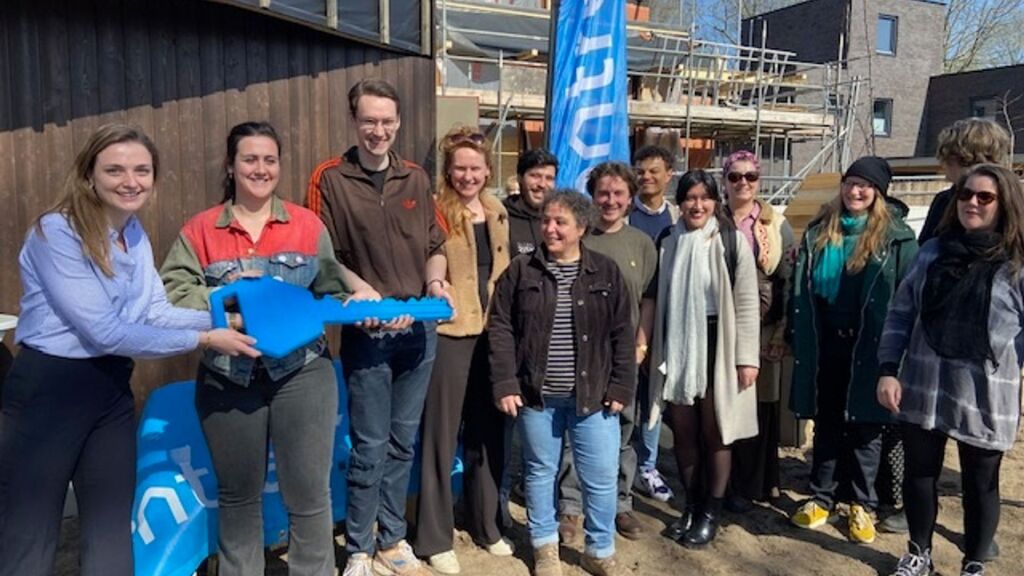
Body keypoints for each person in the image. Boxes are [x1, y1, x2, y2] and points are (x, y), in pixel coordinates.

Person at [0, 124, 258, 576]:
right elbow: (105, 330)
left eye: (142, 170)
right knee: (30, 530)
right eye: (115, 169)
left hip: (110, 390)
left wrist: (227, 321)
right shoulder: (56, 232)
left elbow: (155, 312)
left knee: (109, 526)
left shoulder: (132, 232)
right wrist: (205, 338)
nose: (130, 181)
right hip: (50, 390)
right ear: (89, 175)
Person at [161, 121, 377, 576]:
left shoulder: (305, 224)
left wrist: (363, 303)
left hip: (303, 373)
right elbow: (174, 295)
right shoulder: (200, 230)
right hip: (226, 376)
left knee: (309, 492)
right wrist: (235, 309)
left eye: (270, 160)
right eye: (250, 159)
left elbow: (332, 288)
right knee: (238, 495)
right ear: (231, 165)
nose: (261, 169)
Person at [306, 79, 451, 576]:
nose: (378, 130)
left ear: (398, 123)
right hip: (368, 332)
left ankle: (393, 539)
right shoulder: (329, 177)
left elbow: (436, 244)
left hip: (419, 330)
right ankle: (360, 548)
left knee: (401, 442)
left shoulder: (416, 177)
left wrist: (435, 283)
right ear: (354, 120)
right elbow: (319, 251)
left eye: (387, 121)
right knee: (368, 445)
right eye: (369, 120)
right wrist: (359, 290)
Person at [878, 164, 1024, 576]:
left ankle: (973, 563)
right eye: (965, 195)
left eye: (984, 197)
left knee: (981, 483)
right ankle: (918, 553)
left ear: (1005, 203)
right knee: (920, 475)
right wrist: (889, 368)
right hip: (923, 385)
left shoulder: (1017, 265)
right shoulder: (933, 252)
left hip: (984, 394)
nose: (971, 203)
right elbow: (901, 313)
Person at [490, 190, 636, 576]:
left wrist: (622, 386)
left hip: (594, 397)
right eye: (545, 221)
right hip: (538, 396)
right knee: (540, 470)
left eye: (560, 222)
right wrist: (506, 382)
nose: (550, 229)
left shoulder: (606, 271)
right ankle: (545, 548)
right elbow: (501, 327)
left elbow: (623, 332)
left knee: (601, 476)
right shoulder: (522, 271)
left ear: (581, 228)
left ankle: (599, 549)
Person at [788, 156, 918, 545]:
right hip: (825, 340)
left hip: (872, 345)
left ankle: (863, 503)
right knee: (826, 420)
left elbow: (909, 298)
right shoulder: (820, 230)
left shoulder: (896, 238)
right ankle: (822, 496)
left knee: (866, 426)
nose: (855, 191)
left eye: (864, 186)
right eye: (850, 183)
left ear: (878, 192)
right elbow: (799, 289)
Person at [410, 127, 513, 574]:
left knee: (488, 432)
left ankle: (486, 524)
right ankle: (433, 536)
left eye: (475, 168)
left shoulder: (496, 210)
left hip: (495, 333)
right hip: (452, 332)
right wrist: (436, 282)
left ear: (488, 170)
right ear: (448, 172)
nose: (468, 176)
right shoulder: (436, 210)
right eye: (460, 168)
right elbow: (428, 258)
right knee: (441, 434)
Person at [642, 170, 760, 548]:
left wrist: (747, 358)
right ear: (680, 203)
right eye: (689, 198)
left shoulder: (729, 240)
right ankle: (690, 506)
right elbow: (656, 297)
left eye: (704, 198)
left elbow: (746, 302)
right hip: (678, 343)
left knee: (717, 431)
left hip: (718, 344)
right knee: (684, 432)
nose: (697, 205)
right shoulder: (668, 240)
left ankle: (711, 511)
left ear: (715, 201)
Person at [557, 162, 657, 543]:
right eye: (603, 193)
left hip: (624, 354)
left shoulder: (641, 244)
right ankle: (571, 507)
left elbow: (648, 299)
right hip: (578, 353)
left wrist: (641, 343)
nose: (610, 200)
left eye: (618, 194)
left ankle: (620, 503)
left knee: (623, 430)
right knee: (573, 432)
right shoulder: (579, 239)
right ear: (592, 196)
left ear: (630, 198)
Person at [721, 150, 795, 510]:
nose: (743, 183)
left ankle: (762, 480)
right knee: (724, 404)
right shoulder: (713, 220)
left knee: (761, 406)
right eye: (735, 176)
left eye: (750, 177)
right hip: (720, 328)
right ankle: (727, 481)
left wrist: (781, 333)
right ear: (725, 181)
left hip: (763, 327)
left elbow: (787, 281)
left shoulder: (774, 225)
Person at [628, 145, 679, 503]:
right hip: (628, 318)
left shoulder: (677, 217)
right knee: (625, 396)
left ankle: (648, 465)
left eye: (653, 171)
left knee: (654, 397)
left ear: (669, 174)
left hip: (666, 320)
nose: (646, 177)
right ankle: (622, 464)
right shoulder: (624, 214)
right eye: (640, 171)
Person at [917, 118, 1012, 245]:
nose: (942, 165)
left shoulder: (1012, 203)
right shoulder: (944, 200)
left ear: (963, 158)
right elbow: (925, 253)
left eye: (985, 198)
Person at [506, 149, 558, 256]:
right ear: (520, 178)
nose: (542, 184)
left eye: (549, 178)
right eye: (535, 176)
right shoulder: (500, 217)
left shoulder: (560, 220)